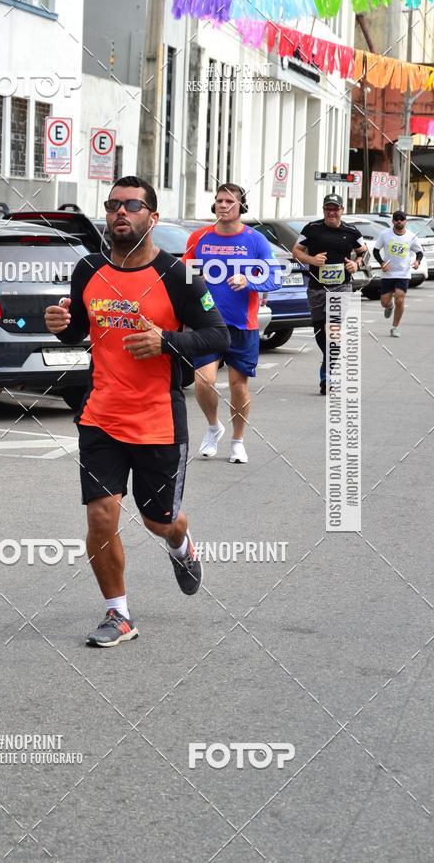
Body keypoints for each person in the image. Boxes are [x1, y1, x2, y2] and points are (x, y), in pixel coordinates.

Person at [44, 176, 229, 647]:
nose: (120, 213)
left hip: (158, 421)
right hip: (101, 416)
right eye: (112, 206)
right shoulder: (88, 269)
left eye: (132, 205)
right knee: (101, 517)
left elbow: (217, 336)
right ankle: (118, 613)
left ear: (153, 216)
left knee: (159, 520)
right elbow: (81, 331)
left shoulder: (181, 276)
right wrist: (62, 326)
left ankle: (180, 542)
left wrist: (166, 340)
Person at [182, 183, 282, 464]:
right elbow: (185, 279)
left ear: (241, 206)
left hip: (243, 325)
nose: (223, 205)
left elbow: (275, 279)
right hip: (206, 324)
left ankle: (238, 440)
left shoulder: (255, 240)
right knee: (204, 381)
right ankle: (214, 427)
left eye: (229, 201)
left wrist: (249, 281)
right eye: (219, 201)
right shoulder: (198, 238)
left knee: (239, 387)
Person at [292, 194, 367, 394]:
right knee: (320, 331)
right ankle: (329, 359)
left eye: (335, 209)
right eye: (328, 209)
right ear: (324, 210)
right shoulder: (312, 228)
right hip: (317, 288)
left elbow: (363, 251)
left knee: (333, 330)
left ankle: (329, 376)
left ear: (342, 210)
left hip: (341, 287)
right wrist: (311, 259)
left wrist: (356, 264)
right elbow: (296, 251)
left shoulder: (351, 231)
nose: (331, 213)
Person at [373, 210, 423, 338]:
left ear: (405, 221)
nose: (399, 221)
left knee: (400, 300)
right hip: (388, 274)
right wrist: (381, 263)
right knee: (384, 302)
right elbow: (376, 251)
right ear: (393, 221)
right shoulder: (385, 234)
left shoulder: (411, 236)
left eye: (402, 219)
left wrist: (417, 262)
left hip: (403, 273)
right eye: (396, 219)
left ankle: (395, 327)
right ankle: (389, 307)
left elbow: (419, 252)